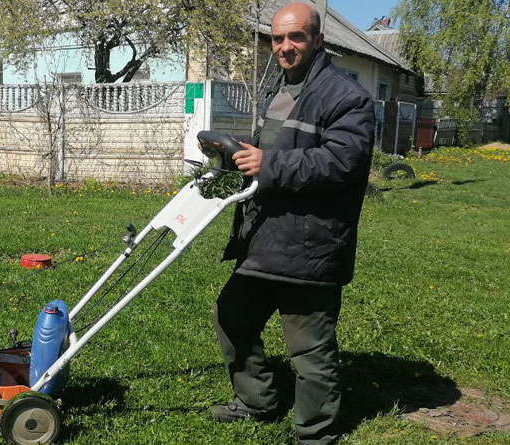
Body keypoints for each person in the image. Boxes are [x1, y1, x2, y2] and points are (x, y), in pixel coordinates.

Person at [206, 3, 375, 445]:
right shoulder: (278, 88)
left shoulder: (346, 96)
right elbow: (280, 149)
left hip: (311, 244)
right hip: (264, 238)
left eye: (296, 37)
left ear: (318, 39)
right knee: (232, 316)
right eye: (278, 39)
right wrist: (240, 155)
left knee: (310, 350)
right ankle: (257, 400)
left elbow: (342, 162)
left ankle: (314, 433)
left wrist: (269, 163)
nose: (285, 47)